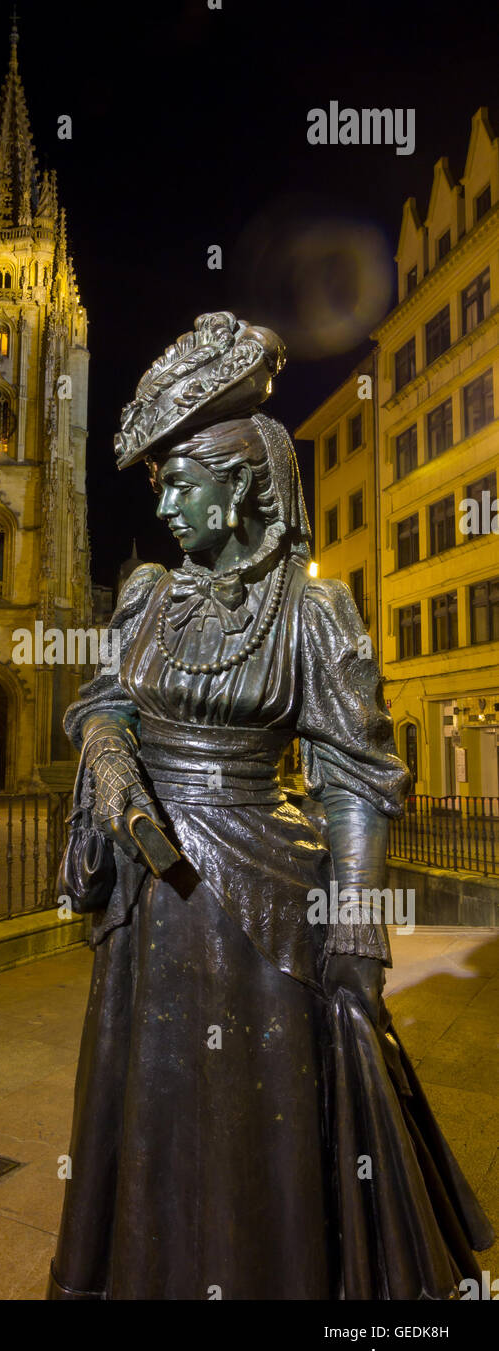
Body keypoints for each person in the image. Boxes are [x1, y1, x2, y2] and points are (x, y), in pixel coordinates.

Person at [48, 312, 492, 1300]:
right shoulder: (145, 595)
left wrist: (356, 923)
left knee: (262, 1120)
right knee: (150, 1096)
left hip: (262, 900)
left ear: (240, 480)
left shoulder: (311, 609)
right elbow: (102, 697)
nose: (161, 501)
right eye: (156, 478)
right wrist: (110, 751)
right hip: (149, 900)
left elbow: (354, 775)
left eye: (176, 478)